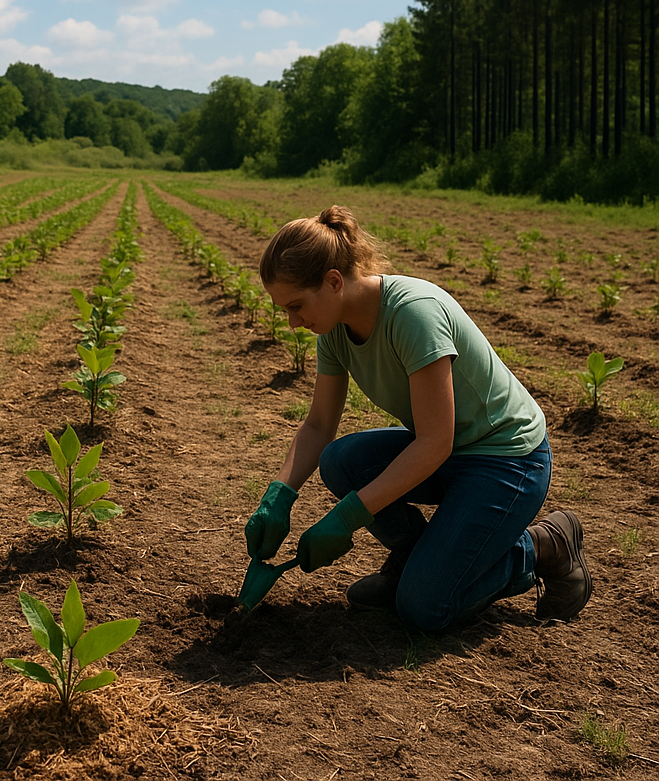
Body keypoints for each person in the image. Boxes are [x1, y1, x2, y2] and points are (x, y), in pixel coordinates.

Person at [244, 205, 592, 632]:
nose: (294, 322)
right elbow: (317, 425)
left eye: (296, 306)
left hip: (507, 460)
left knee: (425, 608)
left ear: (334, 282)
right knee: (340, 461)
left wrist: (347, 516)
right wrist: (279, 496)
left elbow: (434, 443)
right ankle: (417, 559)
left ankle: (541, 547)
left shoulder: (414, 313)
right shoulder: (334, 329)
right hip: (447, 452)